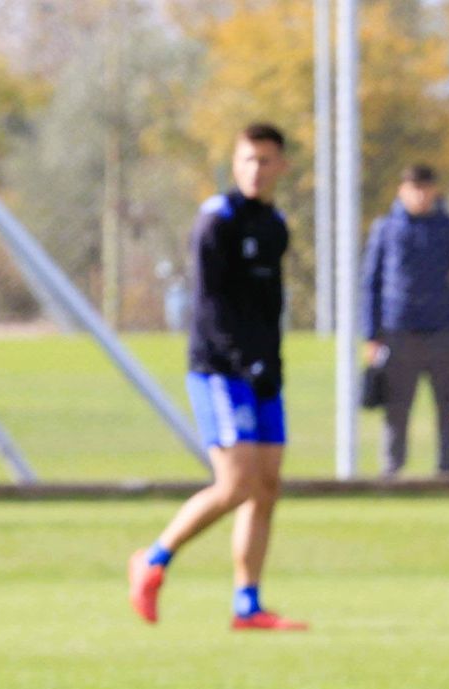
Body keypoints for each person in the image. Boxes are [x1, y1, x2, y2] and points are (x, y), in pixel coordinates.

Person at [128, 122, 306, 631]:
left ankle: (247, 604)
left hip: (262, 372)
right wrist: (243, 362)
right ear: (235, 163)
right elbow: (210, 307)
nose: (256, 169)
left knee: (266, 486)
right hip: (219, 370)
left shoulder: (275, 224)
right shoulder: (216, 221)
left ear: (281, 166)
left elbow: (267, 307)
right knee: (235, 484)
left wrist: (270, 366)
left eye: (266, 160)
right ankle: (154, 560)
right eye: (248, 159)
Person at [361, 164, 449, 477]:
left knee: (446, 407)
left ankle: (446, 471)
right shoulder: (386, 228)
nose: (420, 195)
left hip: (440, 334)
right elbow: (371, 282)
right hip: (397, 333)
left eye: (425, 188)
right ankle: (392, 471)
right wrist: (372, 334)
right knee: (396, 408)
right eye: (414, 188)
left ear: (435, 190)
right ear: (402, 190)